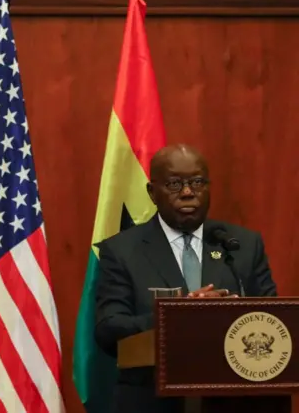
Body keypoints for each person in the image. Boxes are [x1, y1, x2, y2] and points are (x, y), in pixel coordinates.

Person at [94, 144, 278, 413]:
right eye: (174, 184)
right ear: (152, 193)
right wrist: (179, 314)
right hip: (152, 401)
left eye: (197, 182)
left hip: (236, 401)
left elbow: (275, 321)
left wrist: (232, 313)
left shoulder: (242, 246)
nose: (188, 193)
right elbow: (109, 328)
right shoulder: (121, 251)